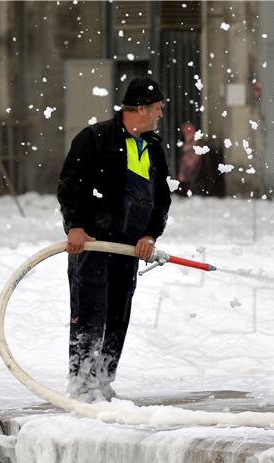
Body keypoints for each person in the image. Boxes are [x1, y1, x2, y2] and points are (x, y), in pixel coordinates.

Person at [57, 77, 172, 402]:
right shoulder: (95, 139)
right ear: (141, 109)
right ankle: (81, 386)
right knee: (89, 315)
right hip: (93, 243)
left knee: (117, 316)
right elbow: (71, 185)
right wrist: (75, 226)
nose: (160, 115)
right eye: (158, 109)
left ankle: (104, 381)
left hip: (127, 248)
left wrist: (150, 233)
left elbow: (161, 197)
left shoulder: (152, 147)